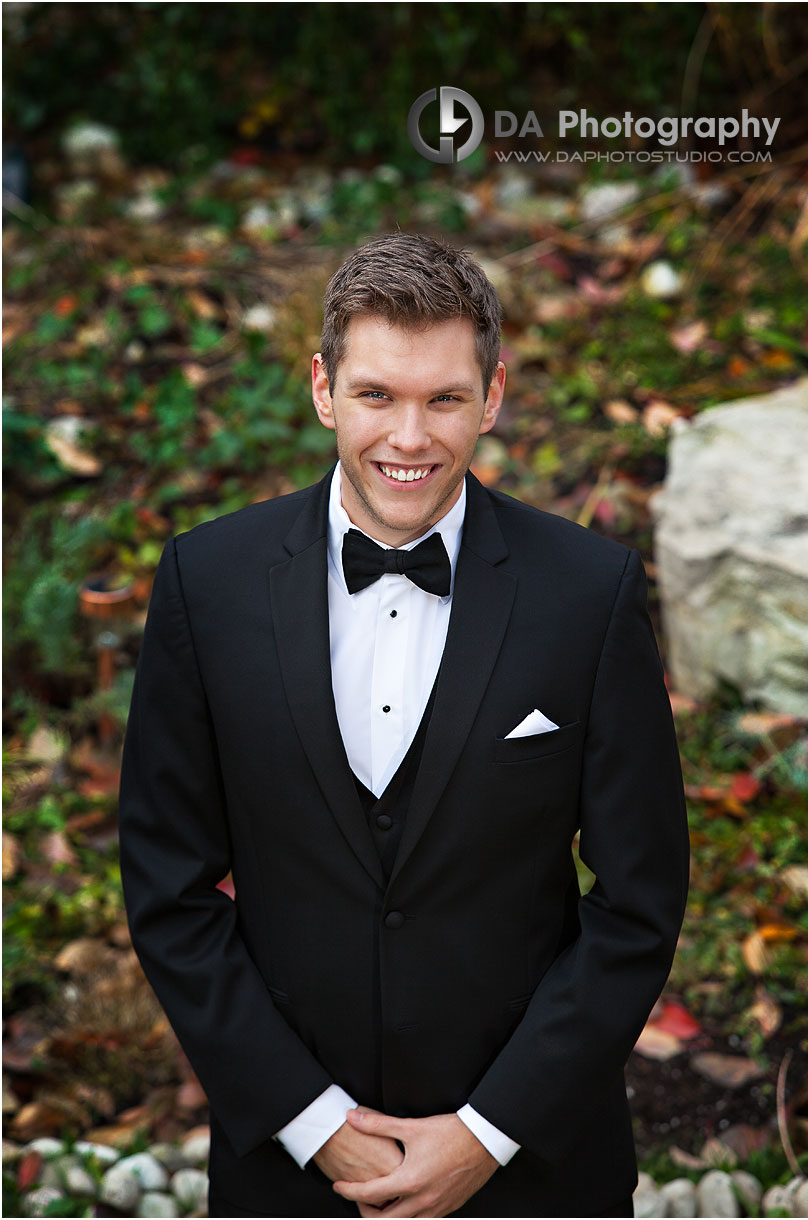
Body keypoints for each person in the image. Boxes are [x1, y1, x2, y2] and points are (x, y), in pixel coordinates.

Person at [118, 232, 689, 1218]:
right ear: (323, 387)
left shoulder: (588, 595)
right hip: (286, 1172)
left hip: (538, 1167)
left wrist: (489, 1130)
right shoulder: (205, 585)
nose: (410, 436)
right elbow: (167, 889)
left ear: (494, 395)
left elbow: (639, 902)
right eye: (378, 394)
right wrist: (313, 1122)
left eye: (445, 398)